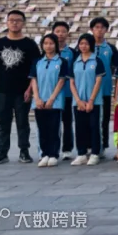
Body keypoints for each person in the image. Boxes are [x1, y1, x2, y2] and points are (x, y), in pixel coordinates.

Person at [0, 9, 40, 166]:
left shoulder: (30, 44)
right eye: (11, 20)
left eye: (18, 20)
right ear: (7, 23)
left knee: (23, 123)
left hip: (22, 91)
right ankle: (2, 152)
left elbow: (35, 69)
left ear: (23, 23)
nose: (14, 23)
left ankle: (24, 151)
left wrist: (30, 89)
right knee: (4, 124)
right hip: (2, 91)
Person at [29, 33, 70, 167]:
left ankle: (53, 154)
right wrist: (37, 98)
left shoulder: (62, 61)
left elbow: (61, 81)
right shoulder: (37, 61)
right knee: (42, 129)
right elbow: (34, 80)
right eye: (45, 43)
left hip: (55, 101)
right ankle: (44, 154)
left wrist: (52, 99)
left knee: (54, 128)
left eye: (51, 43)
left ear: (56, 45)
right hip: (39, 101)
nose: (48, 46)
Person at [70, 33, 106, 166]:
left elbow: (98, 81)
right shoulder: (75, 61)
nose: (83, 46)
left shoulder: (97, 61)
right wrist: (78, 100)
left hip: (94, 101)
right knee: (80, 127)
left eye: (86, 43)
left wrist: (91, 100)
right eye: (81, 43)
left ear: (91, 45)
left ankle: (95, 153)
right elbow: (72, 82)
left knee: (94, 126)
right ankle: (81, 153)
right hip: (78, 101)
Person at [89, 17, 118, 157]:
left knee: (105, 119)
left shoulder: (111, 48)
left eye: (102, 27)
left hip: (105, 89)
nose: (99, 30)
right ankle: (90, 145)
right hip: (89, 89)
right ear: (91, 29)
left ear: (106, 30)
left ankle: (103, 145)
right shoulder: (85, 46)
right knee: (90, 120)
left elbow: (116, 67)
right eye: (96, 27)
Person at [52, 21, 78, 160]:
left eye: (63, 31)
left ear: (68, 33)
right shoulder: (48, 52)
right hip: (52, 93)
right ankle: (52, 149)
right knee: (53, 123)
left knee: (67, 122)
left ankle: (67, 149)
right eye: (57, 31)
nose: (60, 34)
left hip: (67, 92)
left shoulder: (73, 53)